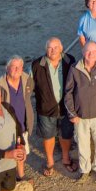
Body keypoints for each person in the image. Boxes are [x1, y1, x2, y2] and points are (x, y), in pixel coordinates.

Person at [63, 42, 96, 183]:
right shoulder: (75, 69)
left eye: (93, 51)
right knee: (82, 145)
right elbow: (68, 92)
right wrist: (72, 113)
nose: (90, 54)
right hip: (80, 116)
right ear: (83, 52)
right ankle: (84, 171)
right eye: (87, 51)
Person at [30, 37, 75, 176]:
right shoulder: (37, 65)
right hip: (46, 109)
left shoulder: (70, 61)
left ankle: (66, 158)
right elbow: (30, 86)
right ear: (46, 50)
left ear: (61, 48)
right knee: (48, 136)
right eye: (50, 48)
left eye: (56, 47)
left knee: (65, 134)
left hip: (65, 107)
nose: (53, 50)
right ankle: (50, 161)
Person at [0, 56, 34, 182]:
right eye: (13, 66)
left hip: (22, 123)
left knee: (21, 150)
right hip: (6, 125)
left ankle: (20, 175)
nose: (17, 69)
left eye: (19, 67)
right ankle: (7, 177)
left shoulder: (27, 80)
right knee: (6, 151)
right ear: (7, 68)